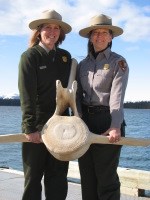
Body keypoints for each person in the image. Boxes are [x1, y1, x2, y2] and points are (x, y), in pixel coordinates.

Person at [18, 9, 72, 200]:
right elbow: (27, 96)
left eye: (56, 28)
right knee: (33, 179)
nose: (52, 31)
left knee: (57, 178)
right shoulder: (30, 57)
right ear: (39, 31)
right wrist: (30, 127)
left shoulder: (65, 57)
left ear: (61, 33)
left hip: (62, 128)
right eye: (47, 27)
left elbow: (69, 93)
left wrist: (73, 121)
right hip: (38, 128)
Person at [76, 14, 129, 200]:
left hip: (107, 121)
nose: (100, 36)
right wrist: (78, 119)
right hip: (85, 123)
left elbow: (117, 96)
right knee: (87, 176)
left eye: (104, 32)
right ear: (90, 36)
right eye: (96, 32)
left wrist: (115, 125)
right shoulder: (82, 65)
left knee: (106, 178)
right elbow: (76, 96)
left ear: (111, 36)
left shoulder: (118, 62)